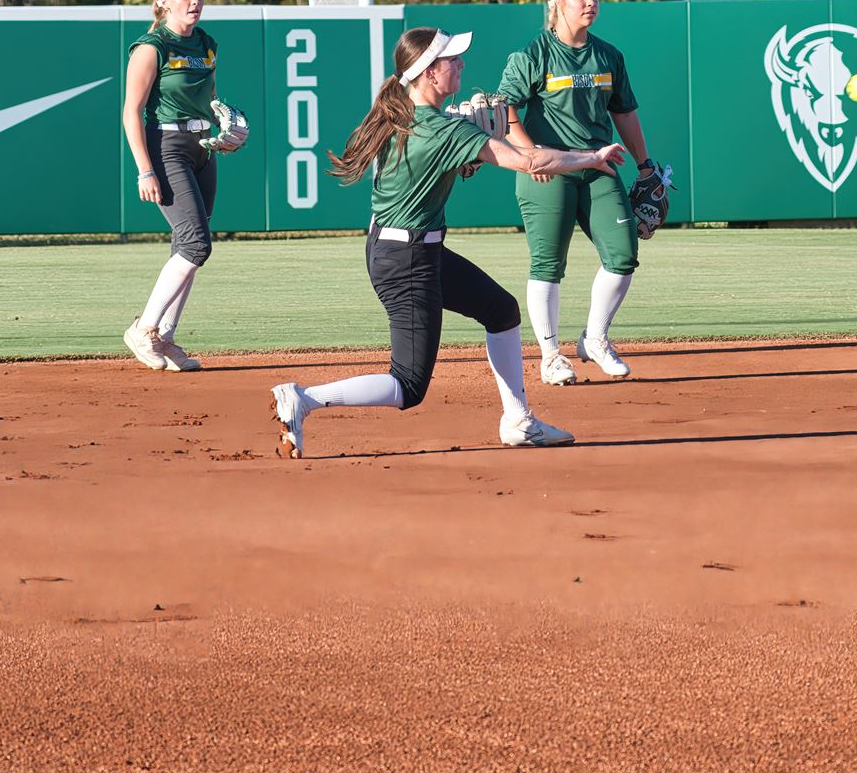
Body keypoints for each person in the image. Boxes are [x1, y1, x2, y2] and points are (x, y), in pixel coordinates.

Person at [268, 26, 626, 459]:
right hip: (406, 259)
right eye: (450, 59)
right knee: (409, 384)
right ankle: (303, 399)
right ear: (427, 74)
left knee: (501, 309)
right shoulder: (444, 130)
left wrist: (464, 157)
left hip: (411, 249)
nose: (460, 64)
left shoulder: (406, 115)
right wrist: (593, 157)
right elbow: (530, 160)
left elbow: (427, 163)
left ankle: (519, 420)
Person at [496, 0, 657, 386]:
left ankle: (595, 339)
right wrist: (532, 155)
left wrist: (645, 166)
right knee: (548, 264)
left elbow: (624, 111)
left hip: (598, 164)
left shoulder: (608, 55)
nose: (590, 2)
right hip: (549, 173)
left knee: (623, 255)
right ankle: (550, 355)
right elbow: (504, 106)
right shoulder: (533, 54)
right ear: (558, 3)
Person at [121, 0, 228, 373]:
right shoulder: (152, 47)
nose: (196, 1)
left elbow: (211, 97)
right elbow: (131, 112)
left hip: (202, 147)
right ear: (164, 0)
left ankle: (164, 338)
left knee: (188, 248)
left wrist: (226, 127)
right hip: (166, 147)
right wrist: (144, 170)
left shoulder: (207, 43)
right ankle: (144, 329)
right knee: (196, 244)